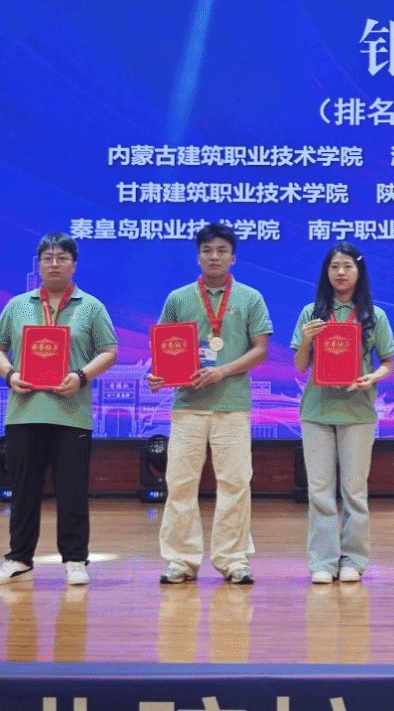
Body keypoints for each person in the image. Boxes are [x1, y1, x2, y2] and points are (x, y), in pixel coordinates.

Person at [0, 232, 118, 586]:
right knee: (23, 491)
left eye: (62, 258)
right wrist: (10, 375)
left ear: (74, 265)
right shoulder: (17, 305)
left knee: (72, 491)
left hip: (71, 413)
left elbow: (109, 351)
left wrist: (81, 375)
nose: (54, 264)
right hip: (24, 412)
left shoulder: (91, 307)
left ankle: (74, 559)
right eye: (48, 258)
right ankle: (18, 558)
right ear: (39, 264)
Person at [147, 223, 272, 585]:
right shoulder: (178, 299)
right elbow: (165, 348)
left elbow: (261, 349)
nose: (214, 256)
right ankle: (181, 560)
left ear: (233, 257)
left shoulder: (250, 298)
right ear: (198, 256)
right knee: (180, 484)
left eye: (221, 250)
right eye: (207, 250)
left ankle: (233, 559)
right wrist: (158, 376)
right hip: (188, 405)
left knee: (235, 483)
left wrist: (222, 372)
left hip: (232, 404)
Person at [291, 242, 394, 584]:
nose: (340, 272)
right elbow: (300, 365)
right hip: (317, 411)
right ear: (326, 272)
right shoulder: (311, 313)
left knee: (354, 492)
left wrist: (372, 378)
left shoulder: (374, 316)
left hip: (358, 412)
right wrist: (306, 339)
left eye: (347, 266)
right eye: (334, 266)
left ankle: (353, 560)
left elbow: (388, 363)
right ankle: (323, 562)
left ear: (359, 272)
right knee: (320, 492)